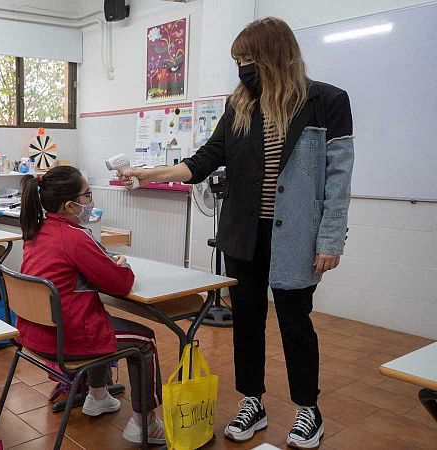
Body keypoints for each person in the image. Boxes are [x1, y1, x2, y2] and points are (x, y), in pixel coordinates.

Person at [121, 17, 354, 449]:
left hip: (295, 236)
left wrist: (330, 240)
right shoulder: (241, 106)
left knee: (295, 324)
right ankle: (253, 401)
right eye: (238, 60)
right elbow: (205, 159)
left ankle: (309, 409)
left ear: (274, 55)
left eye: (248, 58)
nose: (242, 68)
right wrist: (149, 173)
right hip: (243, 235)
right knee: (247, 322)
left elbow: (338, 176)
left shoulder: (326, 101)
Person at [18, 166, 165, 445]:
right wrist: (123, 265)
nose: (90, 200)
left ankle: (97, 397)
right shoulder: (73, 236)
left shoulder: (37, 231)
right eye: (87, 195)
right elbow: (120, 285)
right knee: (145, 340)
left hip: (32, 334)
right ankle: (144, 423)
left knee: (102, 318)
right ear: (70, 205)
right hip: (65, 339)